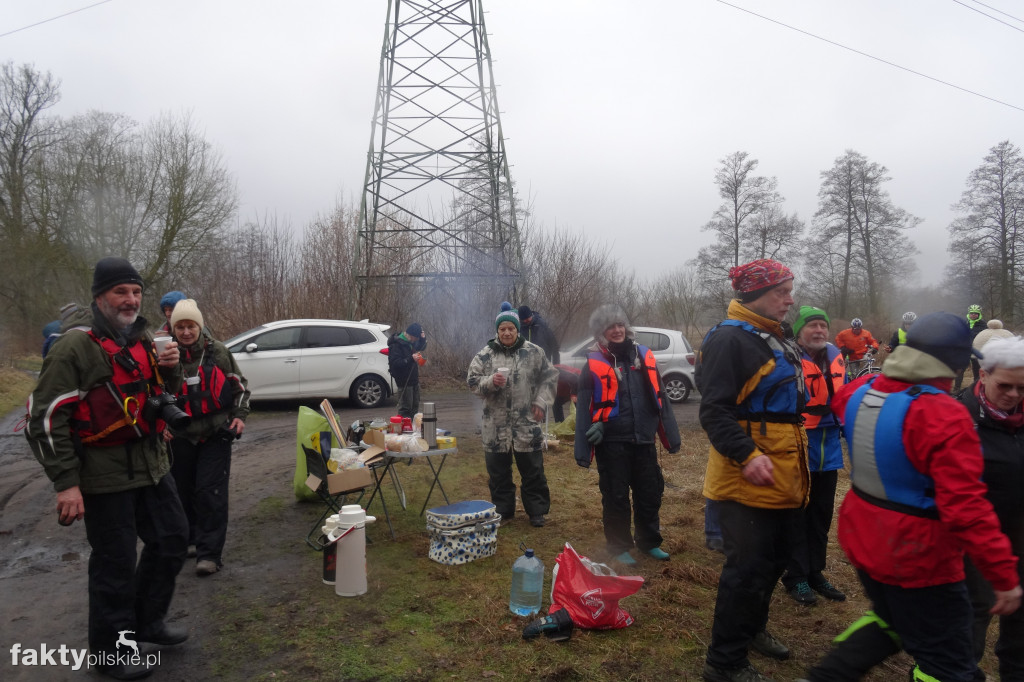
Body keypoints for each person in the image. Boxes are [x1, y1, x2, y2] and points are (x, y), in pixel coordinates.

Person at [802, 312, 1021, 682]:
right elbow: (966, 509)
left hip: (865, 540)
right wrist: (1003, 574)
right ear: (955, 363)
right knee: (952, 665)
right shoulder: (944, 414)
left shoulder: (861, 388)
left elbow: (845, 410)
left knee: (892, 623)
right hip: (921, 559)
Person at [24, 257, 189, 680]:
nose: (131, 299)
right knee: (114, 563)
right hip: (103, 473)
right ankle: (111, 654)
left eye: (135, 291)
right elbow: (44, 419)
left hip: (151, 463)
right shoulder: (74, 348)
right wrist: (66, 484)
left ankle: (146, 622)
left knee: (172, 539)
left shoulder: (143, 339)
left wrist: (171, 370)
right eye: (121, 292)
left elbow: (159, 395)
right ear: (100, 297)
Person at [696, 258, 808, 682]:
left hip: (781, 472)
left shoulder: (773, 335)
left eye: (788, 290)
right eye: (782, 292)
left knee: (775, 559)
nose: (789, 299)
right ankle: (724, 662)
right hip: (745, 477)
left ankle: (751, 629)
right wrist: (748, 455)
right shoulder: (731, 340)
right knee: (745, 570)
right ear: (756, 294)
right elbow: (714, 411)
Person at [573, 304, 681, 566]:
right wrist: (583, 449)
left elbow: (660, 398)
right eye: (611, 326)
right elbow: (584, 409)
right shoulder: (593, 364)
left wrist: (671, 437)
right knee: (615, 496)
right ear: (601, 332)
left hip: (643, 439)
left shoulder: (643, 357)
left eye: (620, 324)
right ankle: (619, 545)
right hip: (612, 443)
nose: (617, 330)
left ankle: (649, 542)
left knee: (649, 492)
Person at [166, 299, 250, 577]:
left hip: (215, 434)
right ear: (173, 328)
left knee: (209, 493)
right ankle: (190, 539)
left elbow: (239, 387)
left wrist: (239, 415)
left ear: (199, 327)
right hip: (180, 436)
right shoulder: (166, 354)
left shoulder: (219, 352)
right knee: (182, 491)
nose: (186, 332)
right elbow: (154, 394)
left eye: (191, 326)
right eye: (180, 327)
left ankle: (209, 554)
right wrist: (159, 424)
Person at [958, 335, 1024, 680]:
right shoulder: (958, 416)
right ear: (982, 375)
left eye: (1022, 388)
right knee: (975, 610)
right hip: (975, 537)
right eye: (1006, 385)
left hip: (1020, 531)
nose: (1014, 395)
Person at [467, 307, 558, 527]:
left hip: (526, 424)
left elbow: (550, 377)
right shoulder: (485, 354)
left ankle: (536, 511)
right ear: (497, 331)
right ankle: (503, 510)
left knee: (533, 471)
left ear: (517, 330)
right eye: (502, 329)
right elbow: (472, 381)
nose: (507, 333)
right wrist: (490, 382)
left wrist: (541, 402)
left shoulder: (535, 352)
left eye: (511, 328)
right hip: (495, 425)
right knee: (498, 473)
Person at [781, 306, 847, 606]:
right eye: (813, 326)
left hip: (829, 445)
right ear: (799, 330)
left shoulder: (834, 355)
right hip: (800, 442)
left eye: (823, 325)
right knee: (797, 514)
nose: (819, 330)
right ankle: (795, 576)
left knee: (821, 514)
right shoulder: (788, 357)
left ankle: (815, 572)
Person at [387, 323, 427, 418]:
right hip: (404, 381)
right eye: (416, 338)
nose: (416, 340)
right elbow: (395, 364)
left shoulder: (410, 342)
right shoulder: (396, 345)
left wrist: (422, 338)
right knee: (405, 409)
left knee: (415, 408)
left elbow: (421, 346)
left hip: (414, 380)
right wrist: (410, 359)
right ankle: (404, 430)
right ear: (411, 335)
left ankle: (413, 430)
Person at [965, 304, 987, 388]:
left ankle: (977, 386)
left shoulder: (983, 325)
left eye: (975, 313)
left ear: (979, 314)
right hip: (965, 349)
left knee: (977, 369)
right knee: (961, 369)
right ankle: (957, 388)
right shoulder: (965, 322)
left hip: (977, 349)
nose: (973, 315)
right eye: (972, 313)